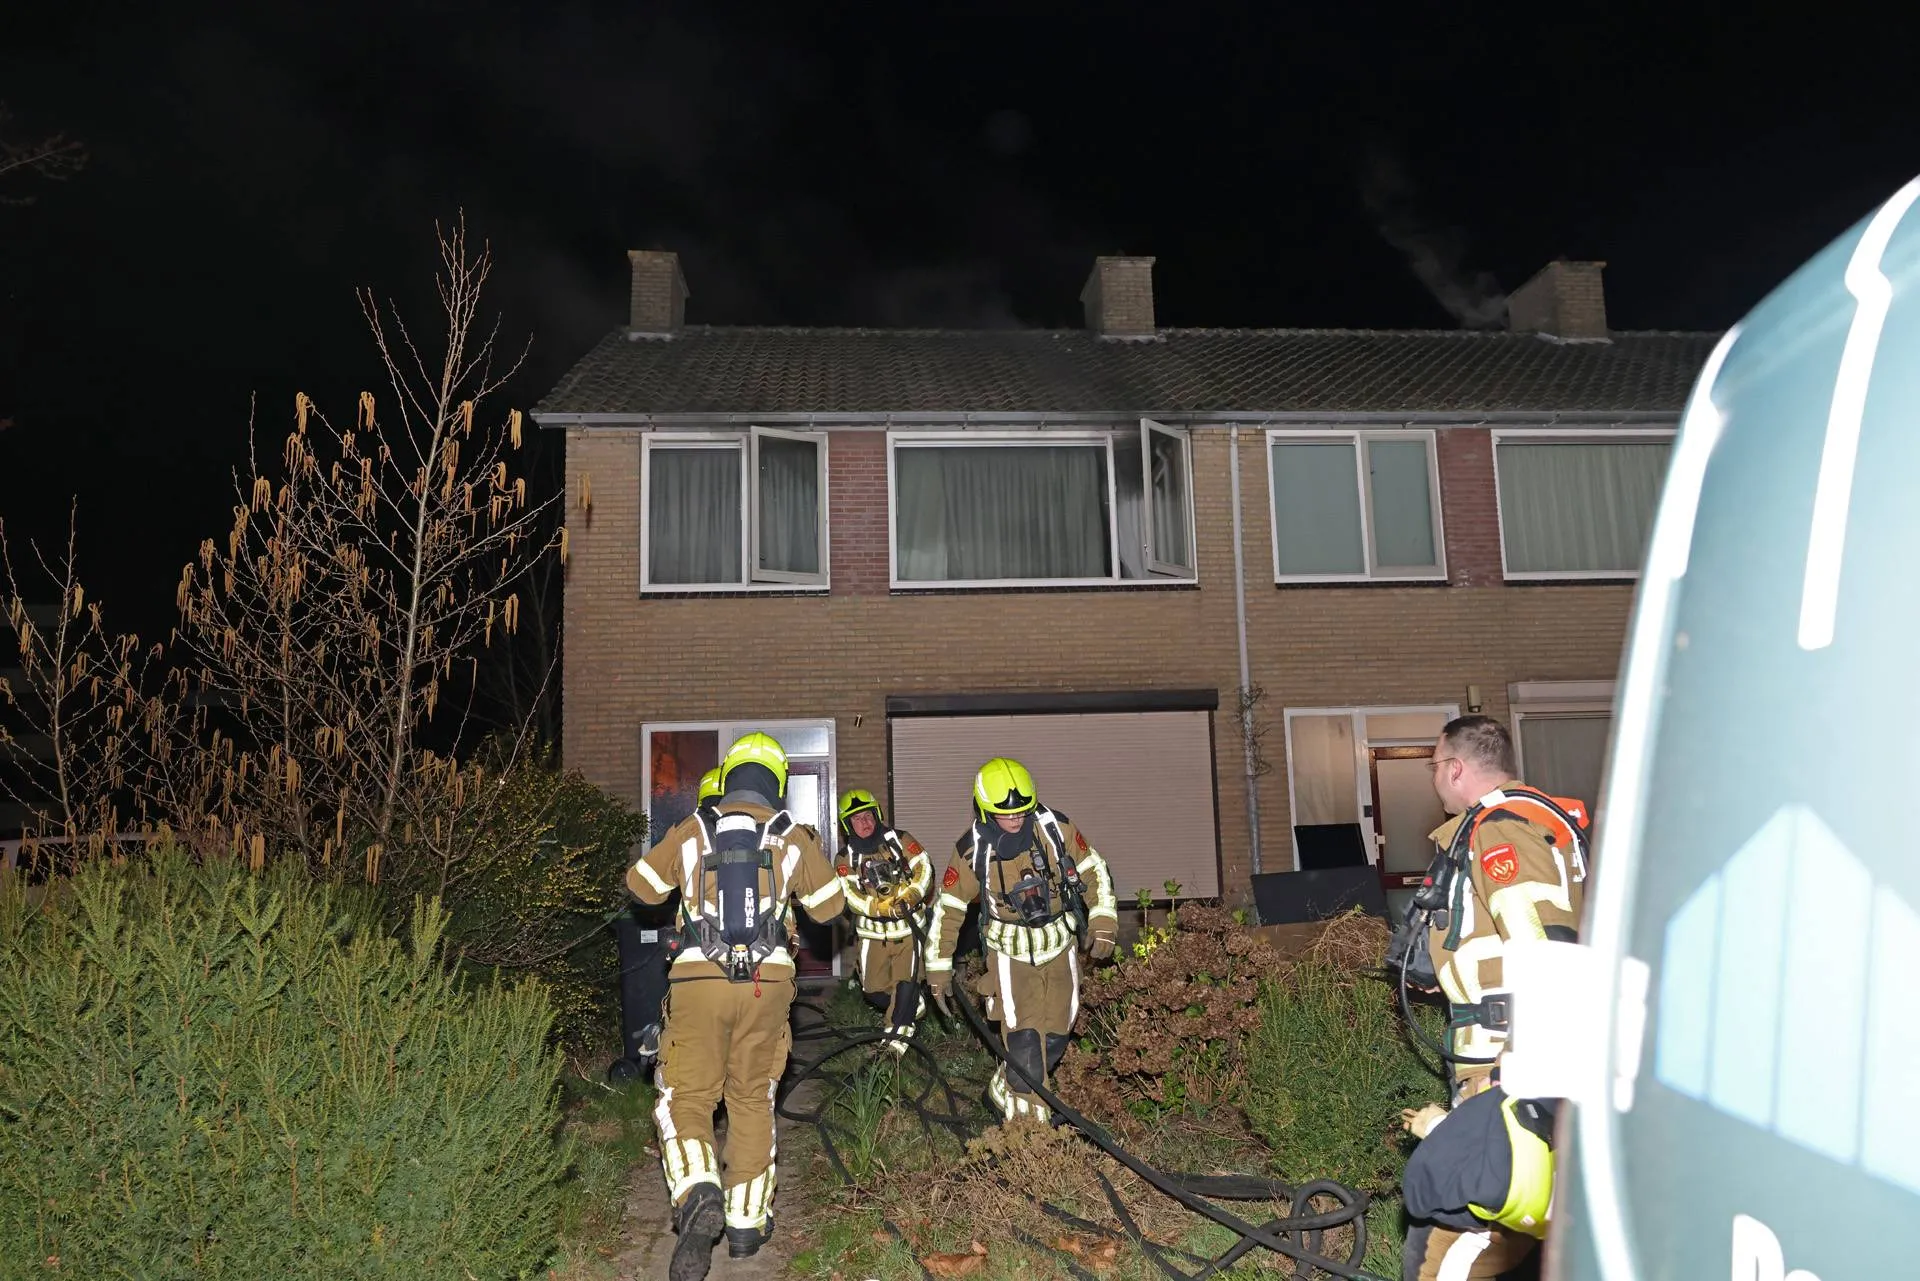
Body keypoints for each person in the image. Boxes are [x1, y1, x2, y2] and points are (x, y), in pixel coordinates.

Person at [626, 732, 847, 1281]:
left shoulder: (694, 828)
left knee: (686, 1096)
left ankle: (700, 1191)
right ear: (776, 783)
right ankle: (748, 1225)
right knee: (752, 1097)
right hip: (768, 985)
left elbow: (641, 888)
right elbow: (829, 908)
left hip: (699, 979)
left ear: (728, 777)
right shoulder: (790, 834)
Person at [1401, 713, 1589, 1280]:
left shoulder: (1500, 829)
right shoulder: (1523, 822)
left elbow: (1542, 943)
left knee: (1453, 1245)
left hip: (1505, 1066)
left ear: (1455, 768)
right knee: (1524, 1226)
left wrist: (1523, 1075)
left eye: (1435, 765)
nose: (1434, 778)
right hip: (1501, 1062)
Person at [923, 757, 1117, 1123]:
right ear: (984, 811)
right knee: (1025, 1040)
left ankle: (1004, 1083)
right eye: (1005, 814)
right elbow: (947, 908)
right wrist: (937, 967)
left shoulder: (1055, 829)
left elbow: (1093, 867)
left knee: (1058, 1032)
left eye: (1022, 812)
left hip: (1060, 945)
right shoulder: (972, 850)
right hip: (1009, 954)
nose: (1015, 820)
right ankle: (1029, 1136)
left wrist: (1103, 919)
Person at [834, 787, 934, 1053]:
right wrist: (879, 908)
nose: (864, 823)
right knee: (873, 991)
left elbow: (923, 866)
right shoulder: (846, 857)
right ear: (848, 825)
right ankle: (913, 1003)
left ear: (877, 815)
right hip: (872, 935)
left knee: (906, 984)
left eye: (867, 816)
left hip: (908, 931)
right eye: (857, 819)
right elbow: (849, 895)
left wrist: (912, 895)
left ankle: (894, 1047)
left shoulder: (899, 840)